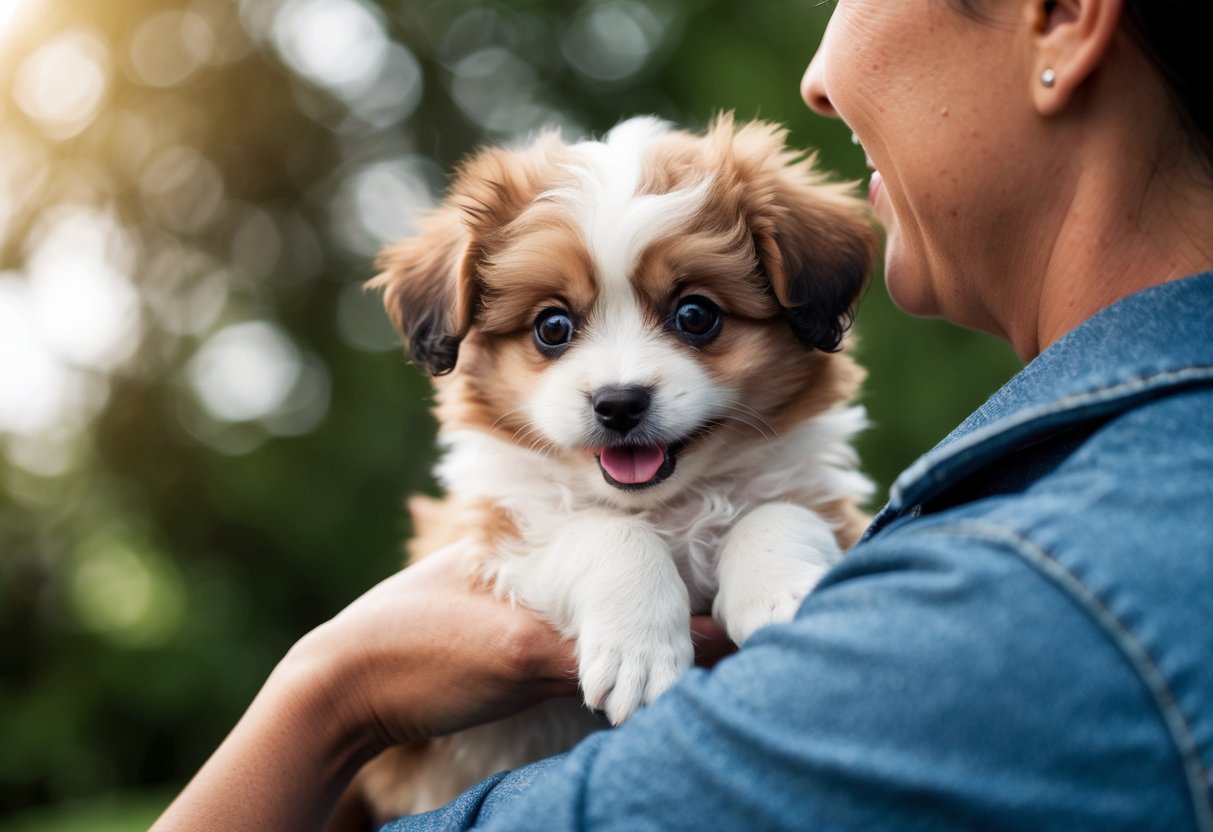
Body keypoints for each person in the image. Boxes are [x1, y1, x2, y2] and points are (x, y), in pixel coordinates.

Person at [152, 0, 1213, 829]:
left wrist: (333, 692)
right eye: (554, 330)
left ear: (1062, 19)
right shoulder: (1062, 500)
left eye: (694, 315)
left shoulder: (1030, 594)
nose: (619, 379)